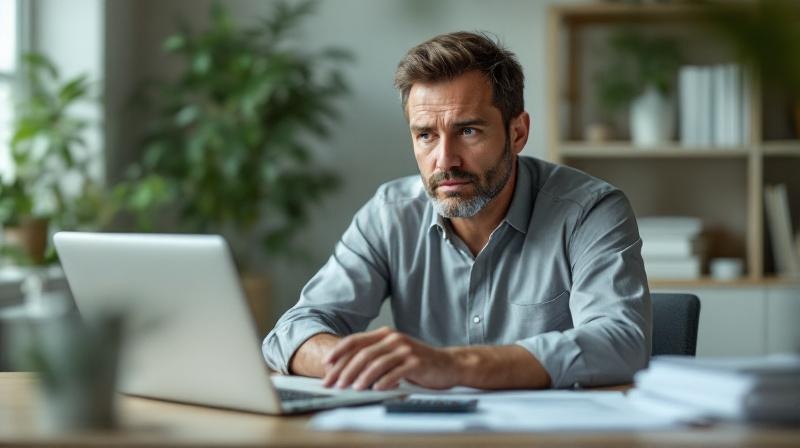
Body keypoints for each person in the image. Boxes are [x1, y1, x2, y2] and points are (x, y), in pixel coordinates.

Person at [263, 31, 651, 391]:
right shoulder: (390, 214)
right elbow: (291, 333)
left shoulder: (590, 210)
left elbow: (620, 343)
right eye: (426, 135)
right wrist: (366, 362)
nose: (444, 160)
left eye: (468, 131)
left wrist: (455, 365)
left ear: (517, 133)